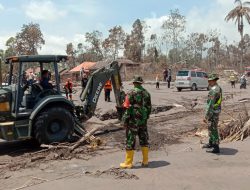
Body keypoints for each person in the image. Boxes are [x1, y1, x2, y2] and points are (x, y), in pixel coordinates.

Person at [120, 76, 152, 169]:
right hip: (143, 120)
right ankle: (145, 161)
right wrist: (145, 117)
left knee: (130, 139)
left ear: (134, 83)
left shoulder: (130, 93)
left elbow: (126, 107)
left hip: (133, 120)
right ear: (141, 83)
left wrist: (124, 120)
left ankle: (128, 163)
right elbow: (149, 108)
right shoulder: (147, 93)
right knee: (144, 138)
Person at [202, 73, 222, 154]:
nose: (208, 82)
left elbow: (210, 104)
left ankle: (216, 147)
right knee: (211, 127)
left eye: (209, 81)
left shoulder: (214, 90)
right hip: (216, 110)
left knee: (213, 128)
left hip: (213, 112)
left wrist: (206, 116)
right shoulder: (218, 88)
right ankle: (211, 143)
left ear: (213, 81)